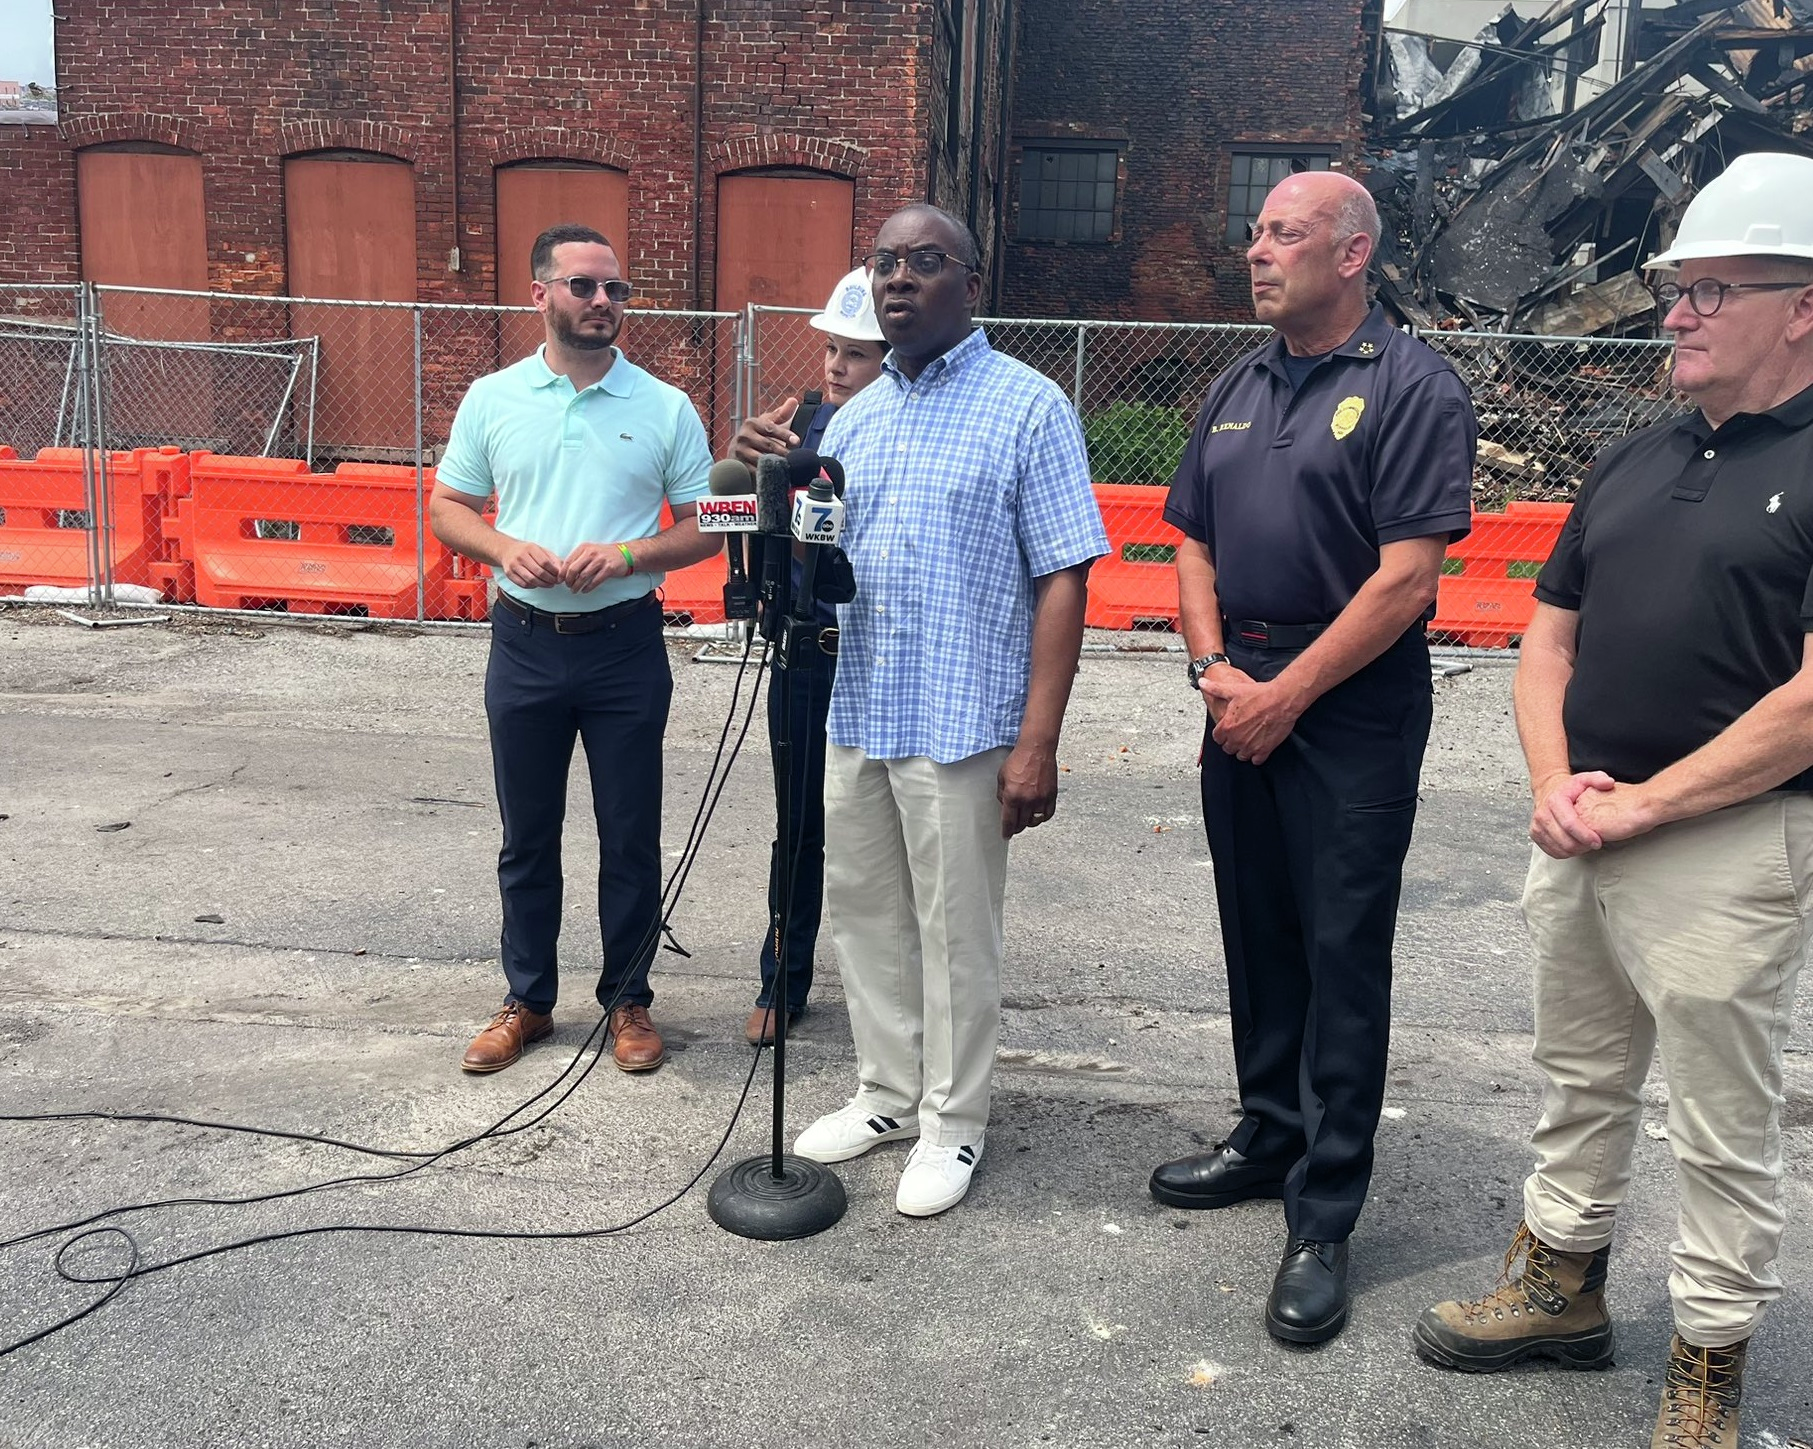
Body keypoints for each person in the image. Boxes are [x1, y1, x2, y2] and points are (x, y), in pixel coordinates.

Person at [1414, 151, 1813, 1449]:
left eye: (1708, 290)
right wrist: (1554, 785)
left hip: (1727, 844)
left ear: (1799, 304)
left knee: (1719, 1118)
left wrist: (1647, 807)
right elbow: (1546, 639)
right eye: (1674, 289)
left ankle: (1707, 1359)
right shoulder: (1636, 460)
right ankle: (1560, 1288)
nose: (1674, 314)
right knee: (1578, 1077)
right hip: (1583, 822)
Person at [1152, 170, 1476, 1344]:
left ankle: (1326, 1207)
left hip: (1344, 706)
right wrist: (1213, 675)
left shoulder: (1409, 385)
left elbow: (1407, 579)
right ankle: (1267, 1132)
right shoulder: (1238, 382)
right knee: (1258, 924)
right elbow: (1188, 543)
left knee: (1341, 947)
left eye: (1283, 233)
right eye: (1254, 232)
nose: (1255, 251)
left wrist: (1286, 695)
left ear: (1352, 255)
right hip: (1237, 687)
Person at [789, 204, 1109, 1217]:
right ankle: (886, 1094)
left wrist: (1038, 742)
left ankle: (954, 1123)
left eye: (924, 263)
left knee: (956, 930)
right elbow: (832, 556)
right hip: (863, 706)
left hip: (967, 721)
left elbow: (1065, 575)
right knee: (869, 916)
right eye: (883, 263)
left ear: (970, 281)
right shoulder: (856, 417)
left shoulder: (1029, 406)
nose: (897, 281)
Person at [429, 222, 717, 1076]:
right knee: (527, 834)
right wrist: (500, 547)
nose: (603, 302)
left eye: (615, 289)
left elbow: (720, 522)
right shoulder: (492, 398)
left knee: (629, 832)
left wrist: (630, 554)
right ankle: (527, 1000)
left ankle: (628, 999)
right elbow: (448, 507)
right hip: (522, 641)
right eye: (584, 286)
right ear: (541, 294)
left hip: (624, 646)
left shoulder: (665, 406)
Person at [730, 267, 888, 1047]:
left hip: (882, 656)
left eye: (856, 354)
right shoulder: (800, 430)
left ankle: (891, 997)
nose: (835, 366)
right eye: (831, 348)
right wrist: (747, 460)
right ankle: (781, 979)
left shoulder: (909, 432)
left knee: (882, 835)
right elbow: (734, 503)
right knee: (798, 825)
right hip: (804, 650)